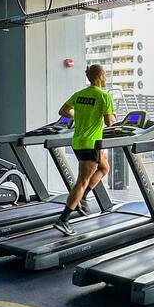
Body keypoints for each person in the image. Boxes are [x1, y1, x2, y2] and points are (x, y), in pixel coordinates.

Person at [52, 64, 116, 236]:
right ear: (100, 76)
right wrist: (112, 116)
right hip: (91, 143)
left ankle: (83, 197)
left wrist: (78, 117)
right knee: (82, 180)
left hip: (78, 142)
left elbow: (63, 111)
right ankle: (63, 219)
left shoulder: (79, 94)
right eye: (105, 75)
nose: (106, 77)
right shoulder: (104, 96)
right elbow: (110, 122)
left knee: (104, 168)